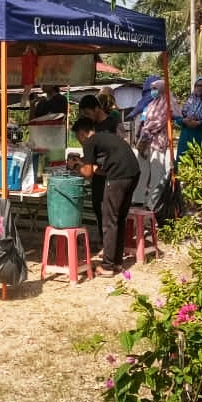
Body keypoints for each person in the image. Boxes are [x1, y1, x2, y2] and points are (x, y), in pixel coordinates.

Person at [67, 117, 140, 277]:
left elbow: (87, 173)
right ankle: (117, 262)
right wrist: (83, 164)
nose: (79, 141)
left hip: (119, 176)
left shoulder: (90, 142)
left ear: (81, 134)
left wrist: (76, 166)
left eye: (78, 137)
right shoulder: (106, 137)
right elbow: (100, 169)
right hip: (133, 173)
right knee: (119, 218)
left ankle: (107, 266)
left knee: (109, 221)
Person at [77, 94, 124, 245]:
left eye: (88, 113)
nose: (86, 116)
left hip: (113, 173)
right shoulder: (91, 127)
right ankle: (103, 241)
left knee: (111, 212)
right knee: (98, 207)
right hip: (97, 173)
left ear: (97, 108)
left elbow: (122, 144)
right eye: (83, 114)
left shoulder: (113, 122)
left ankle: (113, 246)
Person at [137, 78, 180, 209]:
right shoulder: (152, 103)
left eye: (156, 88)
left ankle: (153, 202)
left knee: (156, 172)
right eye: (152, 89)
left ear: (162, 89)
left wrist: (146, 129)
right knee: (142, 170)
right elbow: (145, 120)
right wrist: (144, 132)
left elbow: (159, 123)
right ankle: (138, 199)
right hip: (146, 140)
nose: (153, 91)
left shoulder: (167, 104)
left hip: (158, 141)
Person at [174, 76, 202, 165]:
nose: (200, 88)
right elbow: (178, 118)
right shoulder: (189, 101)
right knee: (183, 167)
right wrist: (184, 121)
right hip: (186, 139)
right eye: (197, 86)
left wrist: (200, 123)